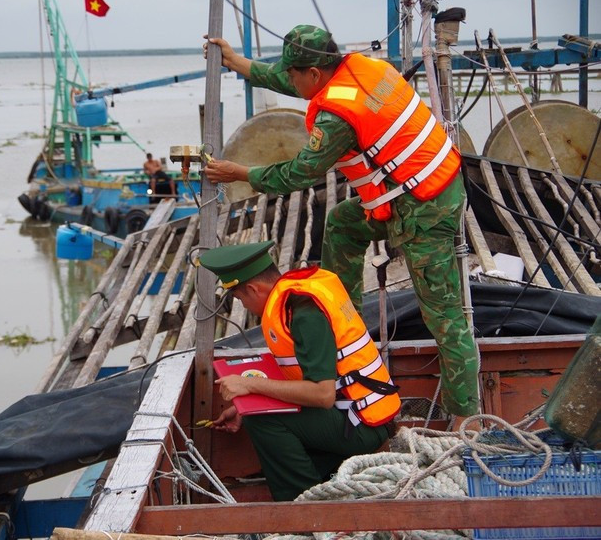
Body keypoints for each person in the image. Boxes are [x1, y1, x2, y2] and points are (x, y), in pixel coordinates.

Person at [203, 25, 479, 426]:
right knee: (342, 223)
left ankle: (465, 420)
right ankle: (340, 320)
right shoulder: (361, 68)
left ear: (314, 74)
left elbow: (298, 174)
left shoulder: (336, 116)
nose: (291, 81)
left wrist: (239, 172)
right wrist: (238, 62)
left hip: (425, 208)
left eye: (295, 74)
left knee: (445, 317)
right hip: (410, 191)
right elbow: (287, 77)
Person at [199, 240, 398, 501]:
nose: (244, 307)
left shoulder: (305, 315)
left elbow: (323, 394)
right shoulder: (293, 300)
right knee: (255, 413)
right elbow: (300, 374)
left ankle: (302, 507)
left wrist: (250, 386)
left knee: (263, 419)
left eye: (240, 299)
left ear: (253, 289)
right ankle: (321, 487)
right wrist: (246, 404)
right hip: (348, 412)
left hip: (362, 425)